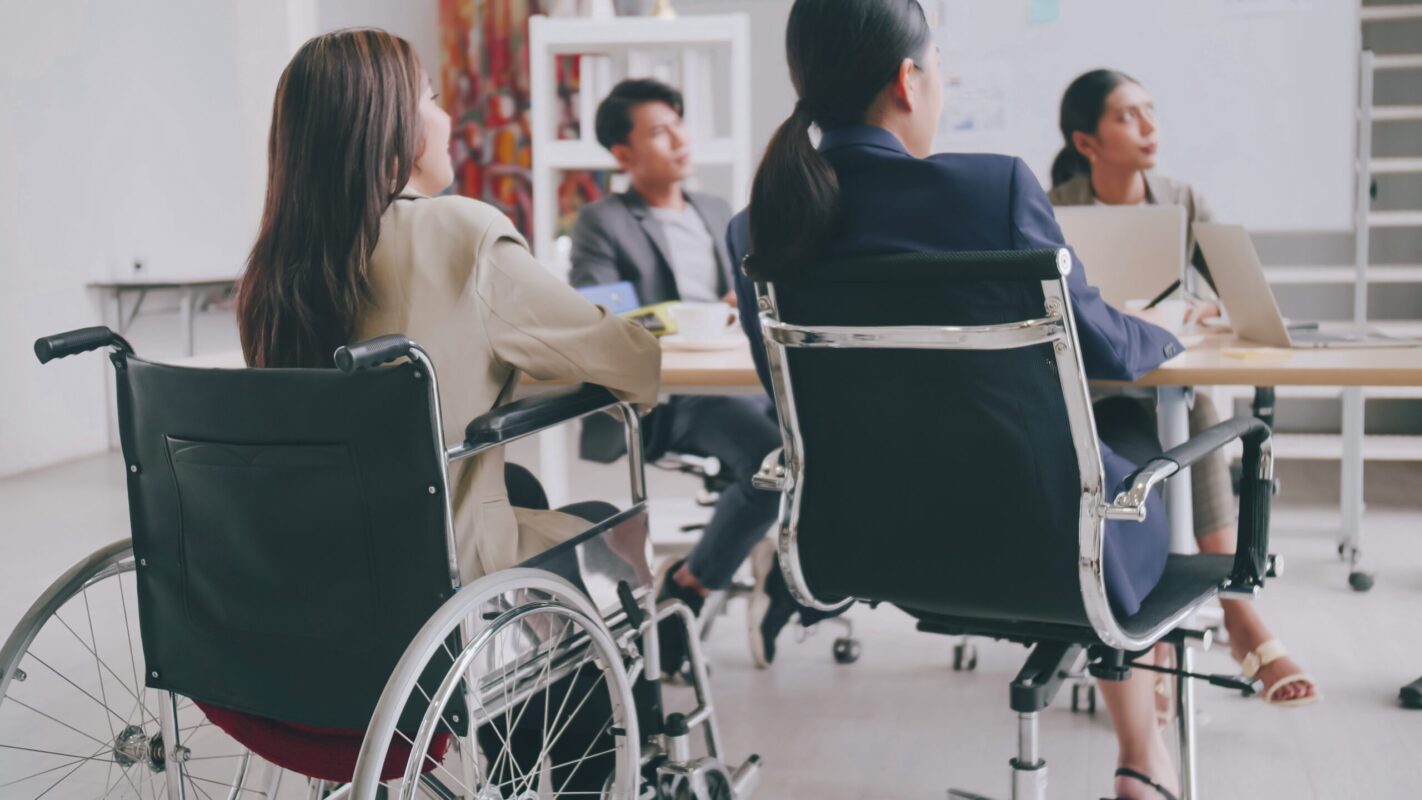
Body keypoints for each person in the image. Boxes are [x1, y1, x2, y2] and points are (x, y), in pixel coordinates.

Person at [724, 2, 1189, 797]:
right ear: (908, 80)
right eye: (938, 66)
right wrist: (1169, 330)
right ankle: (1144, 758)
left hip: (877, 548)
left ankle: (1144, 754)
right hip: (1049, 549)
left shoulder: (758, 225)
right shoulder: (995, 186)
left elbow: (791, 401)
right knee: (1129, 428)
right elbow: (1108, 347)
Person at [235, 29, 660, 791]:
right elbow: (623, 358)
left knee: (518, 492)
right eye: (430, 97)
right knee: (597, 519)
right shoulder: (456, 233)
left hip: (302, 594)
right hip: (423, 600)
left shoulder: (275, 267)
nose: (448, 115)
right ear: (388, 127)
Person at [1049, 68, 1319, 712]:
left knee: (1196, 403)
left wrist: (1196, 309)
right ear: (1088, 143)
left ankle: (1226, 610)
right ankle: (1205, 625)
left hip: (1169, 379)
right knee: (1144, 430)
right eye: (1128, 116)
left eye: (1150, 111)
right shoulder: (1055, 206)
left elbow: (1243, 299)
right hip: (1095, 388)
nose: (1149, 127)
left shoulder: (1183, 198)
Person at [570, 78, 789, 671]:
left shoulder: (717, 210)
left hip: (742, 375)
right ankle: (692, 583)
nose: (679, 139)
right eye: (660, 131)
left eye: (680, 123)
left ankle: (796, 583)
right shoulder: (604, 221)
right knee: (776, 458)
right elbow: (599, 314)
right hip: (675, 395)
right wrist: (685, 318)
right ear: (623, 154)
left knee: (822, 433)